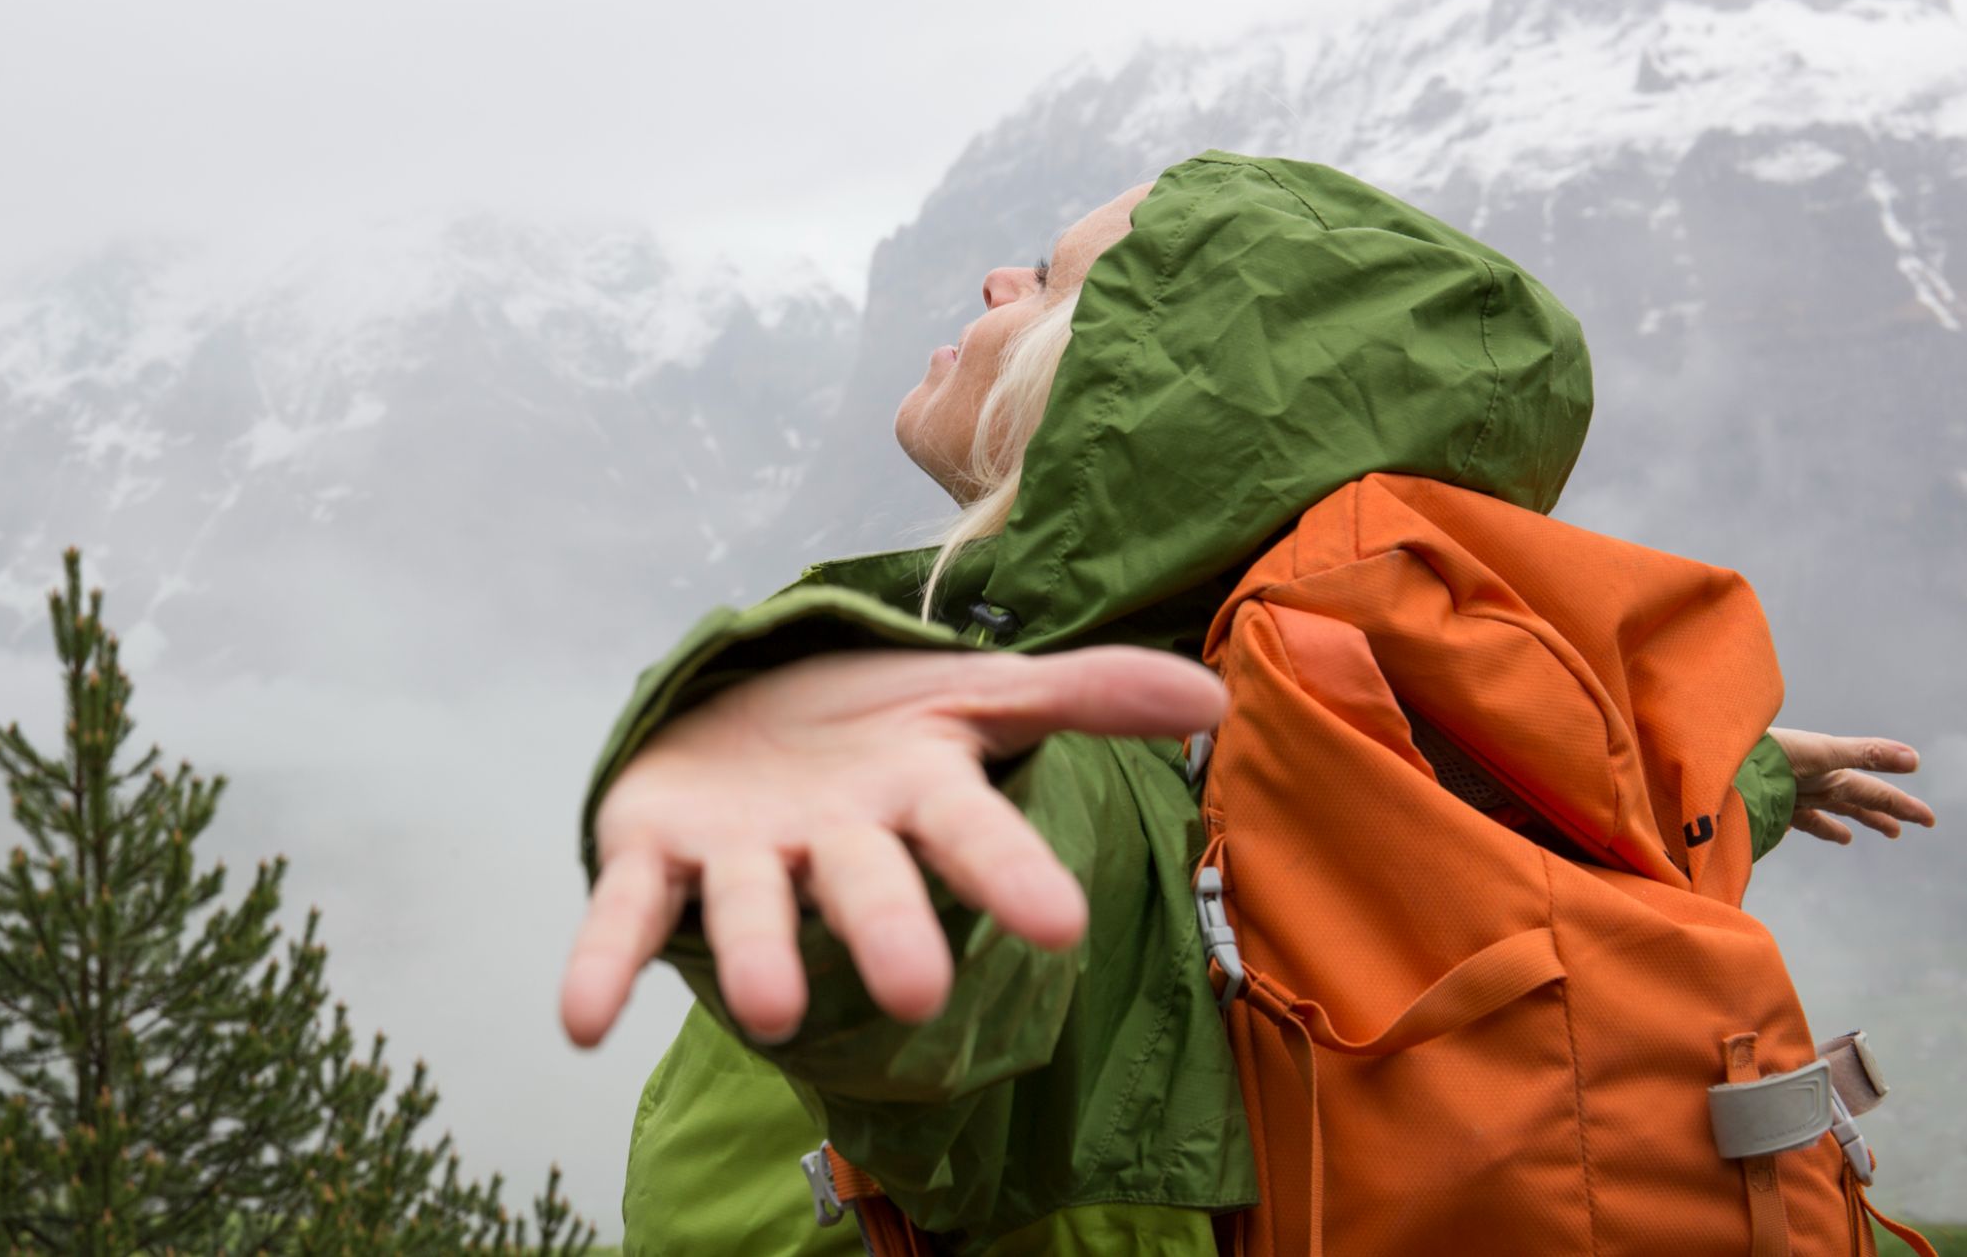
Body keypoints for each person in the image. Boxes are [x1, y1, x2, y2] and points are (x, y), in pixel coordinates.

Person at [561, 151, 1936, 1254]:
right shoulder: (1352, 734)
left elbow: (974, 930)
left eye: (1045, 282)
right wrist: (1738, 773)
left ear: (1119, 396)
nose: (990, 279)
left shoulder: (1083, 755)